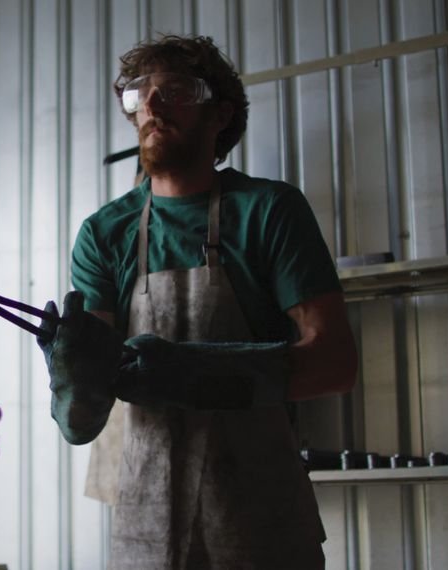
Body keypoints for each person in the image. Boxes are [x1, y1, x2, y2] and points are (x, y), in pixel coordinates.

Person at [38, 35, 357, 569]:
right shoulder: (104, 233)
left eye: (176, 90)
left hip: (263, 526)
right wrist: (73, 380)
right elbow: (84, 417)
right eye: (140, 94)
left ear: (221, 114)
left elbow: (335, 362)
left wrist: (199, 372)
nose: (152, 105)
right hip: (148, 531)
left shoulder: (269, 211)